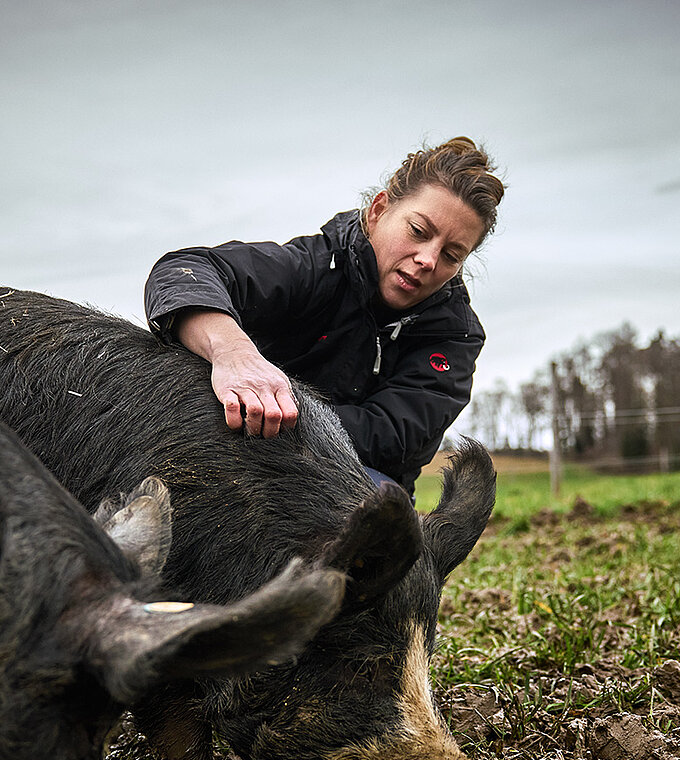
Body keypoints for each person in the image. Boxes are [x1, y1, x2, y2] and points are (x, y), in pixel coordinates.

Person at [144, 137, 505, 495]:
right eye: (418, 231)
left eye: (452, 255)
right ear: (378, 211)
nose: (428, 259)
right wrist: (233, 354)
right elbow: (185, 271)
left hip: (356, 478)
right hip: (240, 455)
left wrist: (276, 405)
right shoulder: (313, 266)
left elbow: (390, 438)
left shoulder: (456, 336)